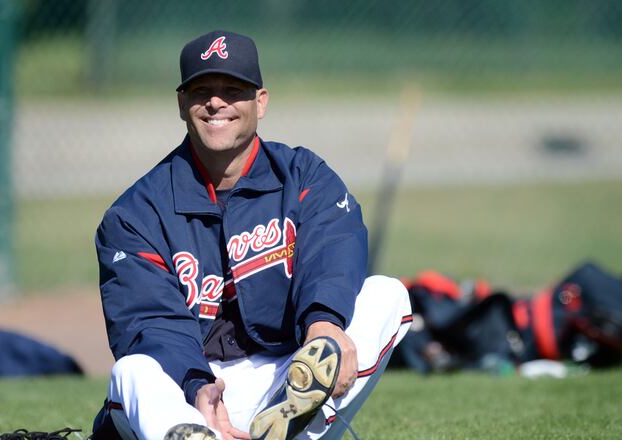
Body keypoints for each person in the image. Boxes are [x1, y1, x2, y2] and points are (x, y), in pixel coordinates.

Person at [91, 30, 412, 440]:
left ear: (260, 101)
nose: (216, 102)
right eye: (201, 89)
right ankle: (189, 434)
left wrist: (325, 325)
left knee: (387, 295)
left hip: (281, 378)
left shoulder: (303, 176)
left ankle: (289, 421)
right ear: (181, 103)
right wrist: (197, 388)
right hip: (191, 393)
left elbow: (333, 249)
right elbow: (150, 322)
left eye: (233, 90)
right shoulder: (136, 214)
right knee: (132, 370)